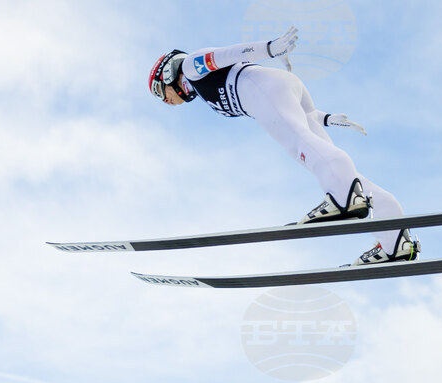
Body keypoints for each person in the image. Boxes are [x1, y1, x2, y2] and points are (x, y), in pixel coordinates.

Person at [148, 27, 420, 266]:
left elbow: (227, 54)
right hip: (279, 88)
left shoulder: (191, 67)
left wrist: (269, 48)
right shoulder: (202, 87)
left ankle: (345, 199)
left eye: (160, 92)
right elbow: (301, 114)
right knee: (334, 166)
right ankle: (395, 241)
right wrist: (325, 119)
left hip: (262, 90)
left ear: (168, 73)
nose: (165, 101)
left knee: (300, 145)